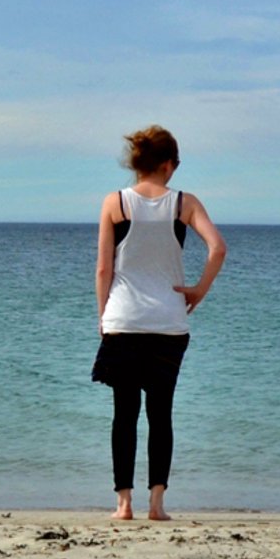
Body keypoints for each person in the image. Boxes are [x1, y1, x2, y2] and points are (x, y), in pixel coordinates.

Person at [93, 125, 226, 521]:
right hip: (168, 324)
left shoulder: (115, 203)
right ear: (168, 165)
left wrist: (103, 315)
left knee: (124, 414)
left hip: (123, 321)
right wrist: (199, 290)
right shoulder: (184, 204)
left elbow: (103, 269)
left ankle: (123, 504)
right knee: (160, 414)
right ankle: (157, 504)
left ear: (138, 164)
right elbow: (218, 248)